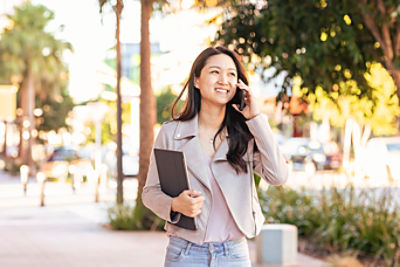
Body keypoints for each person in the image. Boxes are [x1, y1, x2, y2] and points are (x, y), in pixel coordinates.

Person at [142, 46, 288, 267]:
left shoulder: (246, 134)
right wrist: (174, 204)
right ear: (197, 81)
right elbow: (150, 192)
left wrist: (256, 118)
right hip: (185, 253)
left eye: (231, 74)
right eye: (215, 72)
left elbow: (278, 176)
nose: (224, 80)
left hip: (234, 255)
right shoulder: (172, 133)